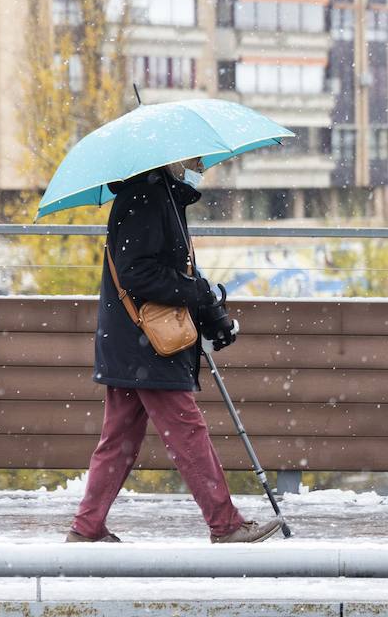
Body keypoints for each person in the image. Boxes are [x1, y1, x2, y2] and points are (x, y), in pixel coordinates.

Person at [66, 158, 281, 544]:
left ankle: (86, 528)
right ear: (172, 159)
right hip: (147, 345)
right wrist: (197, 294)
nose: (201, 164)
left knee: (119, 441)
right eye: (195, 158)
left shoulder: (161, 194)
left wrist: (211, 313)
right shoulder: (145, 196)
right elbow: (138, 273)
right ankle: (225, 523)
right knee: (186, 433)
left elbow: (177, 271)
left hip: (133, 343)